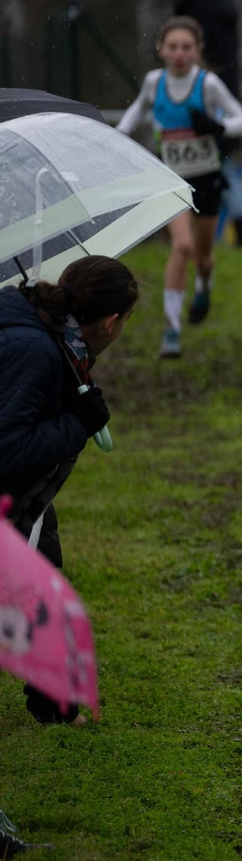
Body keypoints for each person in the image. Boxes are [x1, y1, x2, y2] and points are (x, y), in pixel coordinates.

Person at [0, 256, 138, 723]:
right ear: (111, 321)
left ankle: (54, 701)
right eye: (127, 321)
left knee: (39, 553)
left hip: (21, 498)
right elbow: (8, 453)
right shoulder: (37, 349)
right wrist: (77, 423)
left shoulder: (43, 329)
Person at [116, 16, 242, 359]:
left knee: (203, 257)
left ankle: (203, 285)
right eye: (173, 47)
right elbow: (134, 113)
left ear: (197, 50)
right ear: (161, 49)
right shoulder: (154, 82)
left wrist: (218, 127)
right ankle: (171, 329)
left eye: (186, 47)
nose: (179, 54)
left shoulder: (208, 84)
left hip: (206, 178)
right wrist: (117, 138)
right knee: (182, 246)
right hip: (171, 178)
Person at [174, 0, 242, 246]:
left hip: (197, 97)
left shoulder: (189, 11)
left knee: (214, 165)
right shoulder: (225, 6)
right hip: (229, 89)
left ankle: (224, 228)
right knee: (223, 164)